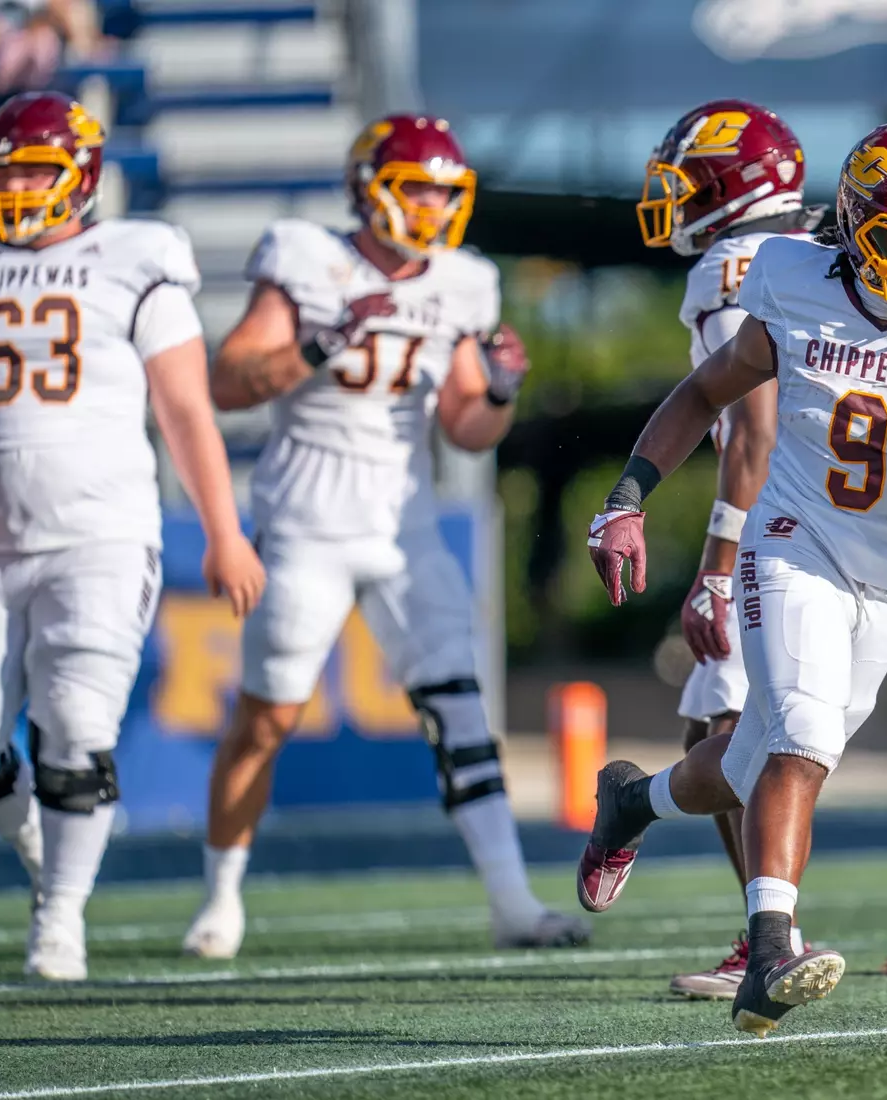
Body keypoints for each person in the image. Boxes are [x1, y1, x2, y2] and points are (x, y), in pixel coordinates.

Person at [578, 121, 887, 1035]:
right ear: (855, 228)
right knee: (798, 734)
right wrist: (627, 497)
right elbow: (703, 395)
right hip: (793, 540)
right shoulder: (794, 280)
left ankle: (632, 801)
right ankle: (771, 948)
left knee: (756, 760)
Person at [181, 114, 589, 959]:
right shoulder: (306, 258)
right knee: (267, 718)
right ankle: (220, 896)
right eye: (418, 188)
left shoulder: (466, 281)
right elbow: (229, 382)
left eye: (446, 190)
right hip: (306, 526)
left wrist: (504, 392)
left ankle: (513, 901)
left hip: (407, 525)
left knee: (461, 709)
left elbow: (466, 426)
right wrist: (317, 342)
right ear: (371, 188)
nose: (435, 206)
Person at [0, 92, 264, 981]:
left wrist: (224, 530)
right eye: (10, 170)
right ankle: (34, 832)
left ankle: (59, 921)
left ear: (80, 176)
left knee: (76, 725)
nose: (21, 186)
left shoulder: (133, 256)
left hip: (100, 534)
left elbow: (183, 408)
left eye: (36, 169)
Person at [637, 98, 825, 1000]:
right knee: (739, 720)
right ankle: (768, 930)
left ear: (731, 188)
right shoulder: (814, 250)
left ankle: (768, 936)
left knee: (733, 722)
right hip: (863, 521)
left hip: (785, 527)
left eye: (695, 181)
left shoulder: (732, 266)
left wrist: (715, 564)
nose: (681, 199)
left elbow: (749, 428)